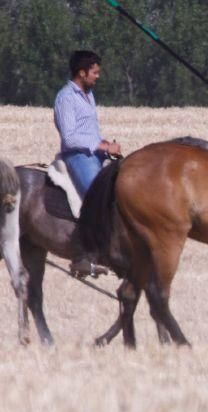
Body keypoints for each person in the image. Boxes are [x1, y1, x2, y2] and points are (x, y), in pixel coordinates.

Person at [54, 50, 119, 277]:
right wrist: (102, 147)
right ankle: (83, 256)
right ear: (82, 73)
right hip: (78, 157)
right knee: (96, 197)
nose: (97, 76)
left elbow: (88, 132)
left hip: (95, 155)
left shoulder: (88, 95)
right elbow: (70, 137)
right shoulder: (65, 98)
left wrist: (105, 145)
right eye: (95, 72)